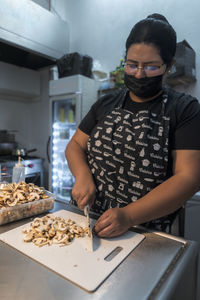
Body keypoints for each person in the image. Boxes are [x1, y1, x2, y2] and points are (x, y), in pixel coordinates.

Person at [65, 13, 200, 237]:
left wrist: (129, 215)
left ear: (169, 66)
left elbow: (190, 177)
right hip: (85, 221)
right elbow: (75, 146)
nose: (139, 73)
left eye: (151, 67)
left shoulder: (184, 109)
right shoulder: (105, 103)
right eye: (131, 64)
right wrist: (82, 175)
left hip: (143, 232)